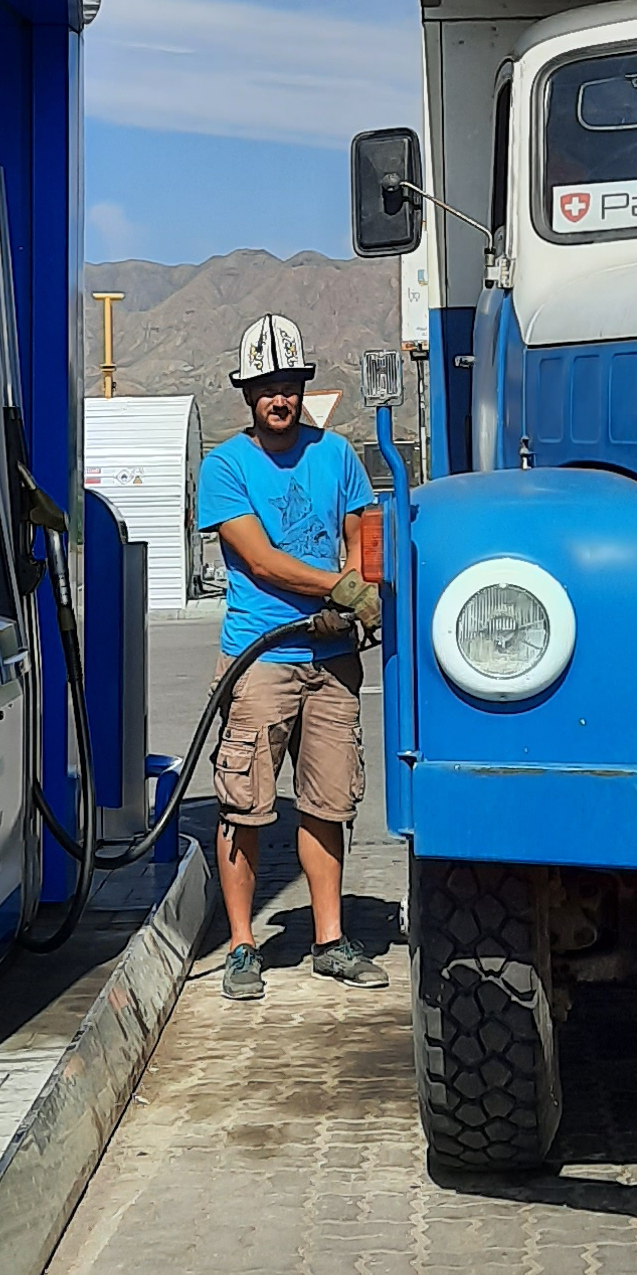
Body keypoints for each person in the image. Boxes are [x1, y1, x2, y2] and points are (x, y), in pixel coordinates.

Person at [197, 313, 389, 1001]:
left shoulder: (336, 455)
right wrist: (339, 587)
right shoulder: (224, 467)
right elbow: (261, 559)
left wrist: (361, 585)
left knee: (327, 803)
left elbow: (360, 531)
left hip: (332, 659)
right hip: (263, 657)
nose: (278, 399)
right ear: (246, 394)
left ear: (301, 388)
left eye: (288, 386)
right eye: (265, 388)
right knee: (245, 806)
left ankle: (330, 940)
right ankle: (244, 945)